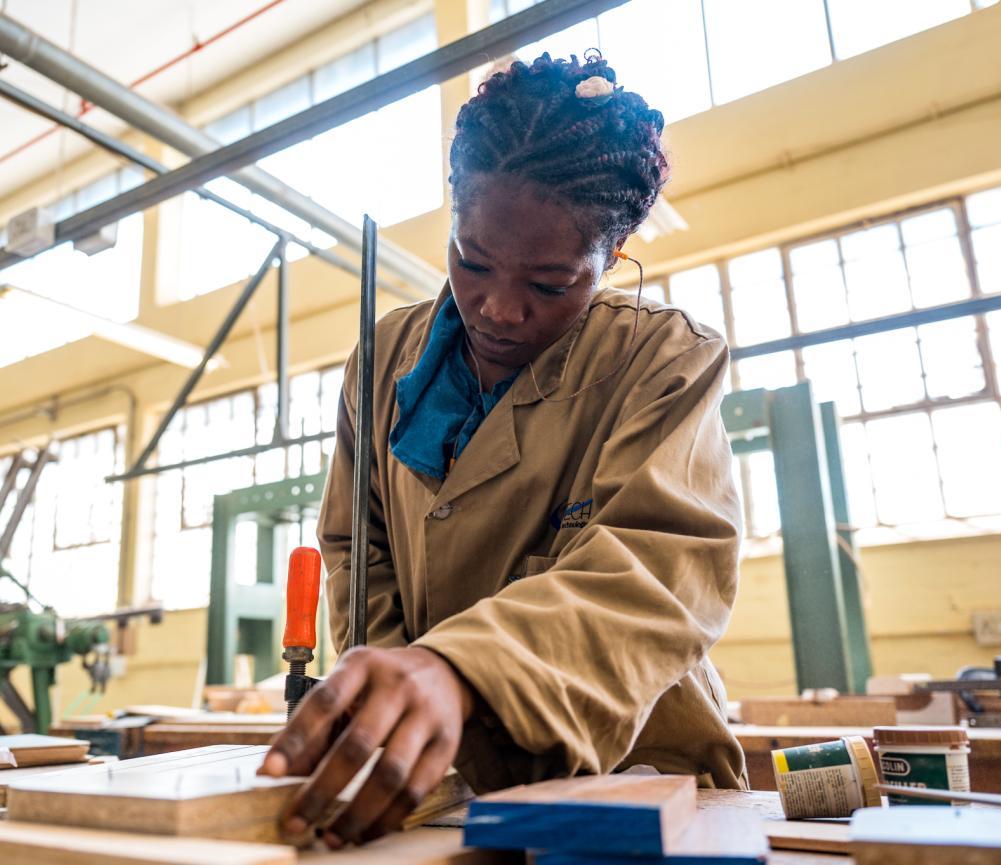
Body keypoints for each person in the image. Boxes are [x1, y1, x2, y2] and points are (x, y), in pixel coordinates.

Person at [258, 51, 745, 847]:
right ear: (452, 217)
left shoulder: (662, 359)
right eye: (470, 261)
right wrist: (397, 705)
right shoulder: (381, 360)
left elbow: (657, 567)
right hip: (439, 790)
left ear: (613, 256)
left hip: (638, 775)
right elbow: (356, 548)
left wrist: (461, 669)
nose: (498, 307)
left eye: (551, 284)